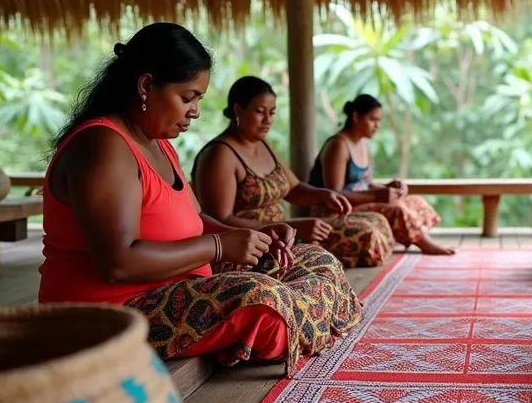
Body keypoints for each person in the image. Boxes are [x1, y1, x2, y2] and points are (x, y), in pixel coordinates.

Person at [38, 23, 361, 378]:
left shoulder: (157, 143)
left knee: (316, 260)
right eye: (187, 97)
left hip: (178, 286)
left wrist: (258, 238)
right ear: (146, 86)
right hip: (112, 313)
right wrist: (219, 246)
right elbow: (118, 262)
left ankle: (280, 323)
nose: (194, 111)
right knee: (264, 298)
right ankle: (294, 321)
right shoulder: (103, 144)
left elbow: (195, 219)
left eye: (198, 100)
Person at [192, 77, 395, 269]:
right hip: (250, 247)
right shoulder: (220, 155)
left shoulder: (264, 145)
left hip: (284, 235)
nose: (268, 120)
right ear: (238, 110)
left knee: (375, 223)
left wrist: (323, 195)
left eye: (272, 112)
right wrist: (290, 226)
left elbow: (294, 188)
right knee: (326, 261)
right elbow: (220, 220)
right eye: (260, 112)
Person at [309, 94, 454, 255]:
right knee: (397, 209)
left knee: (415, 201)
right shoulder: (338, 146)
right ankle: (426, 245)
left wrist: (387, 188)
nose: (377, 125)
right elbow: (335, 195)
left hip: (359, 201)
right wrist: (377, 195)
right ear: (356, 117)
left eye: (379, 120)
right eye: (373, 120)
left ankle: (416, 238)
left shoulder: (363, 143)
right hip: (336, 209)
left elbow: (364, 183)